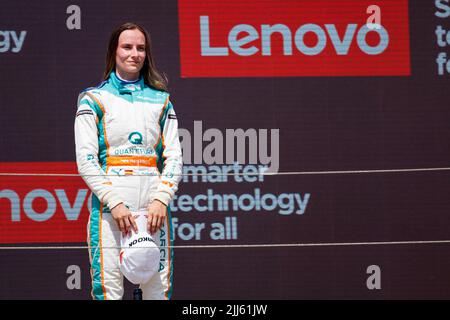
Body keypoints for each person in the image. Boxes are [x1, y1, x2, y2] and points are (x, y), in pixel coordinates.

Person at [74, 22, 183, 300]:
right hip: (111, 212)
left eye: (141, 48)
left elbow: (174, 157)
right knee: (108, 292)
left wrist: (161, 199)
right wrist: (115, 203)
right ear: (114, 51)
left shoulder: (162, 101)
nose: (134, 54)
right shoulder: (93, 99)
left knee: (158, 292)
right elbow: (86, 160)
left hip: (154, 210)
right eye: (127, 47)